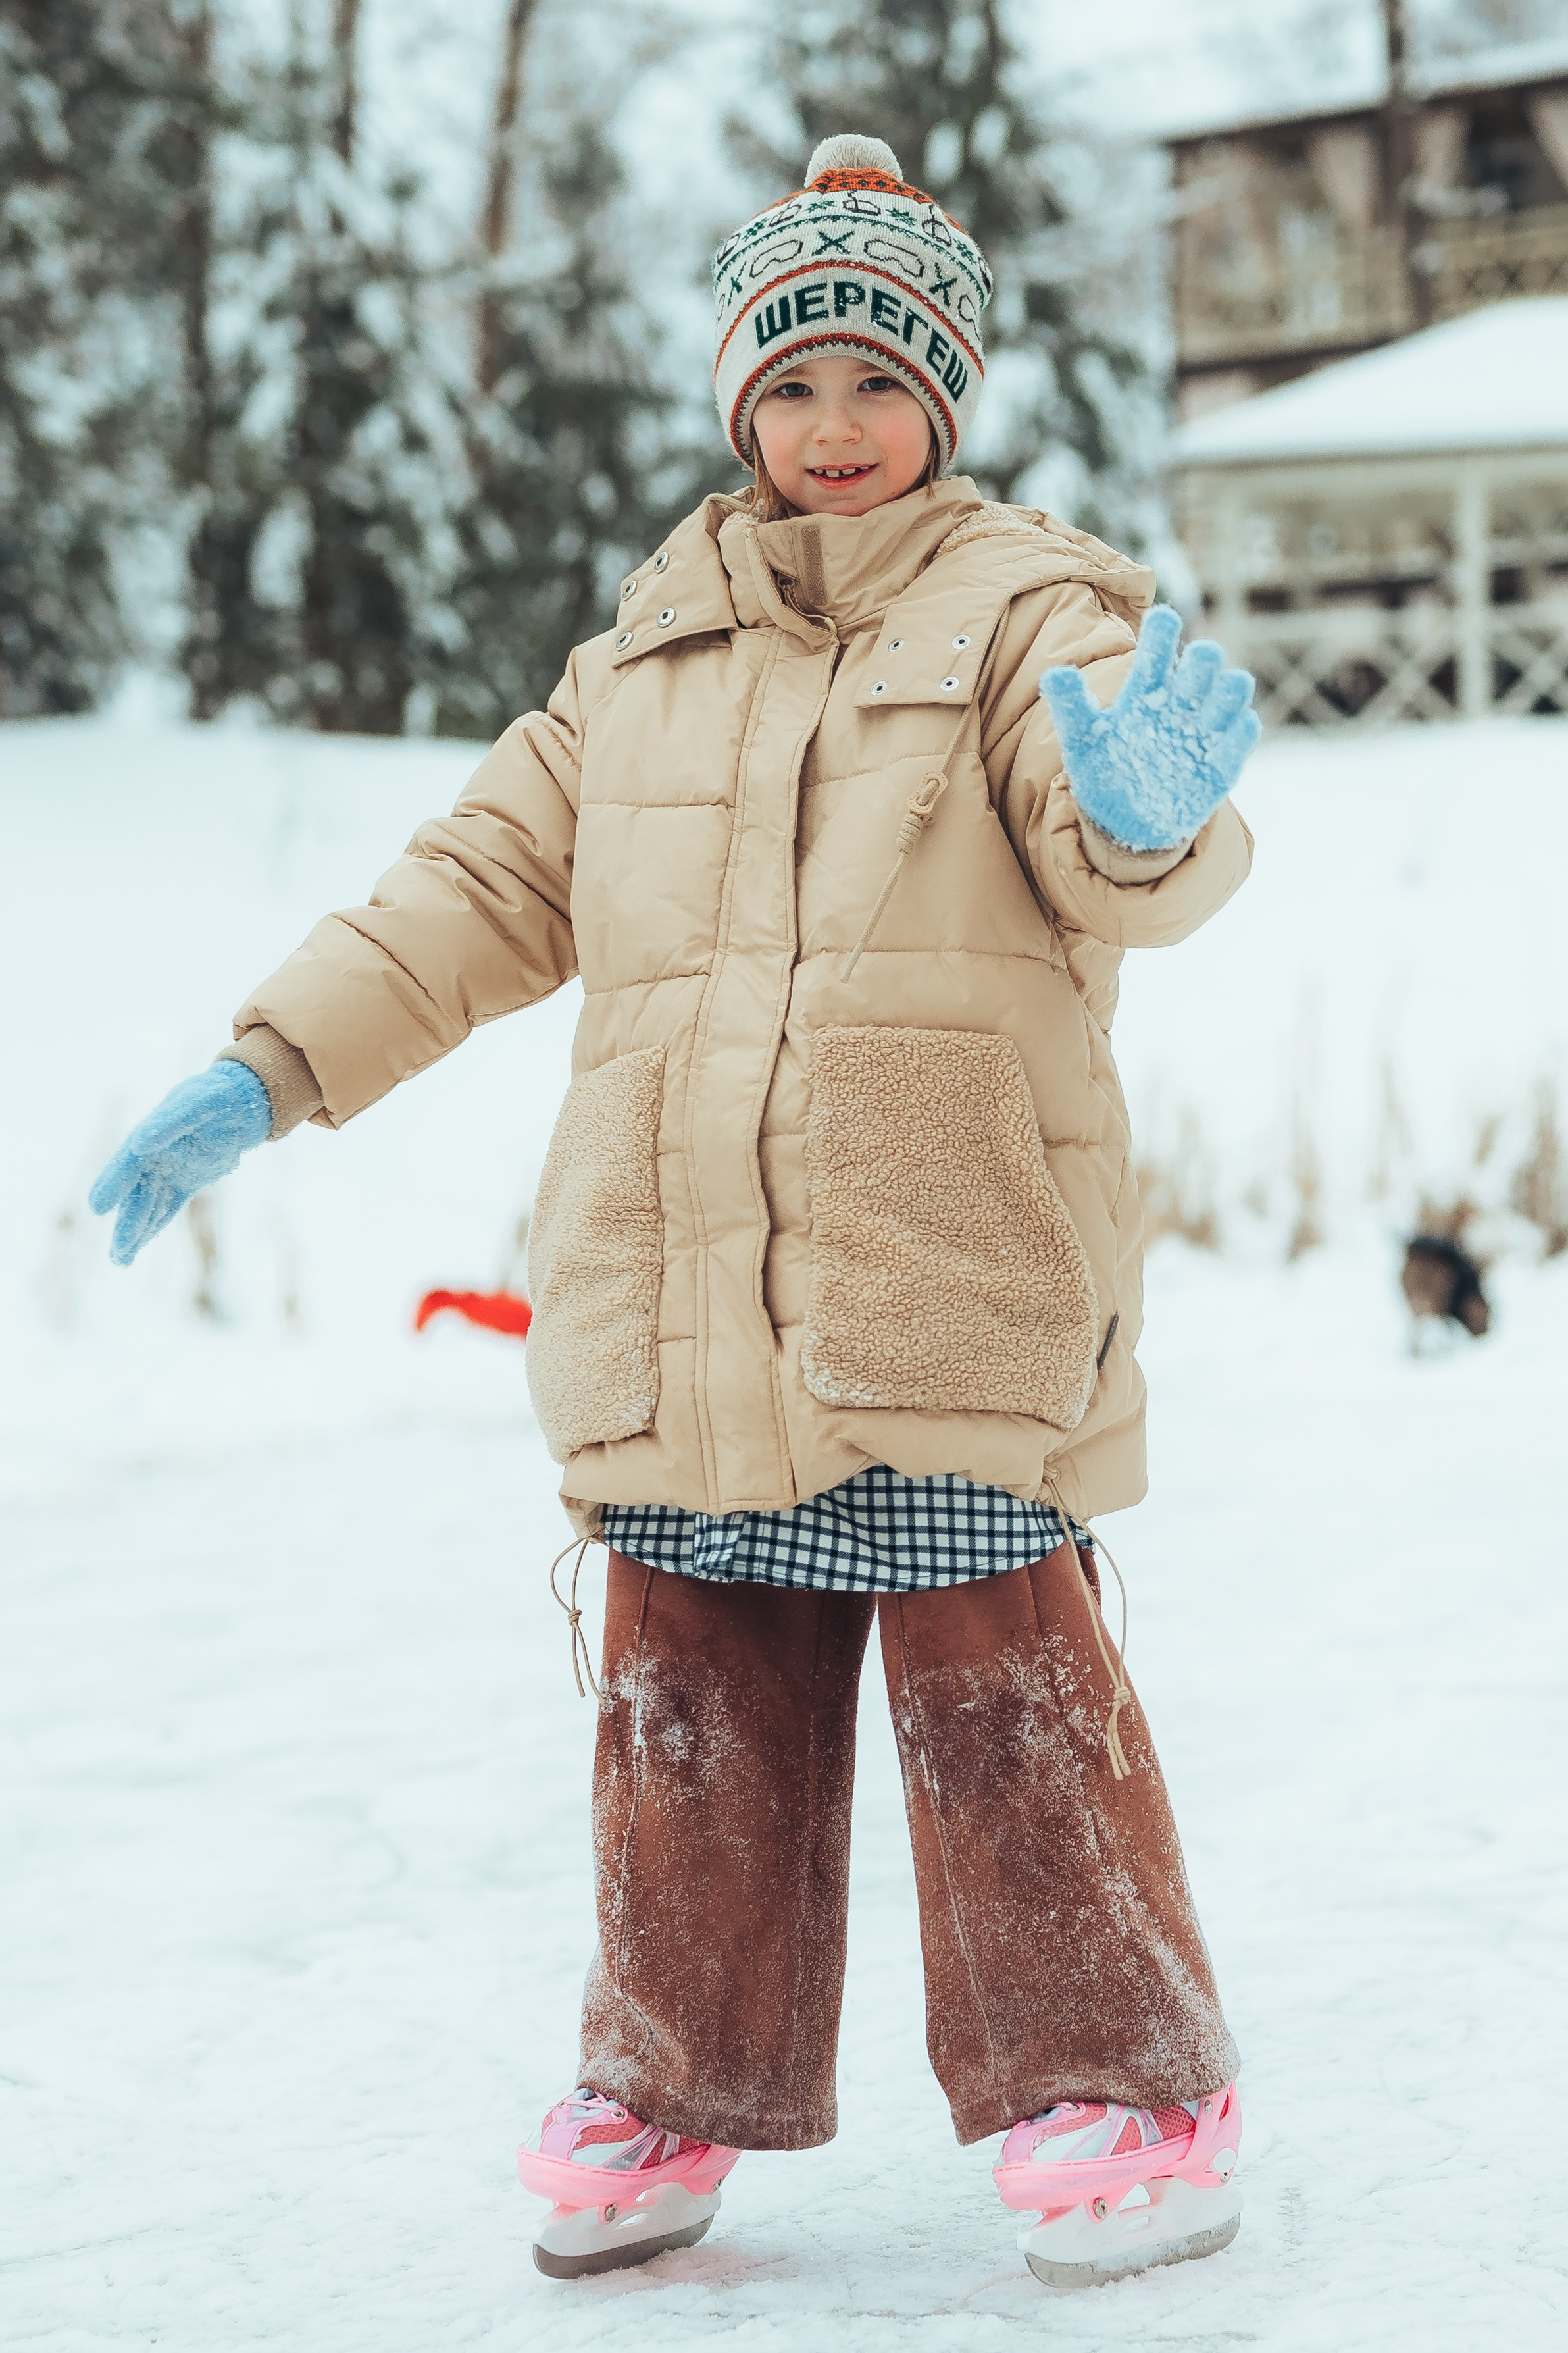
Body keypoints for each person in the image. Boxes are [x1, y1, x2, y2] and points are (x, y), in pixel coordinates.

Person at [92, 134, 1258, 2291]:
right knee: (685, 1681)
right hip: (674, 1281)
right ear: (736, 407)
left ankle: (1121, 2069)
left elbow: (1118, 841)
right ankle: (668, 2078)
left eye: (881, 386)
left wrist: (1146, 824)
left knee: (998, 1674)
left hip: (946, 1257)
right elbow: (465, 899)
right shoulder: (639, 661)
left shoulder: (1034, 614)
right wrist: (266, 1066)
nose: (835, 430)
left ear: (950, 402)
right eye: (793, 386)